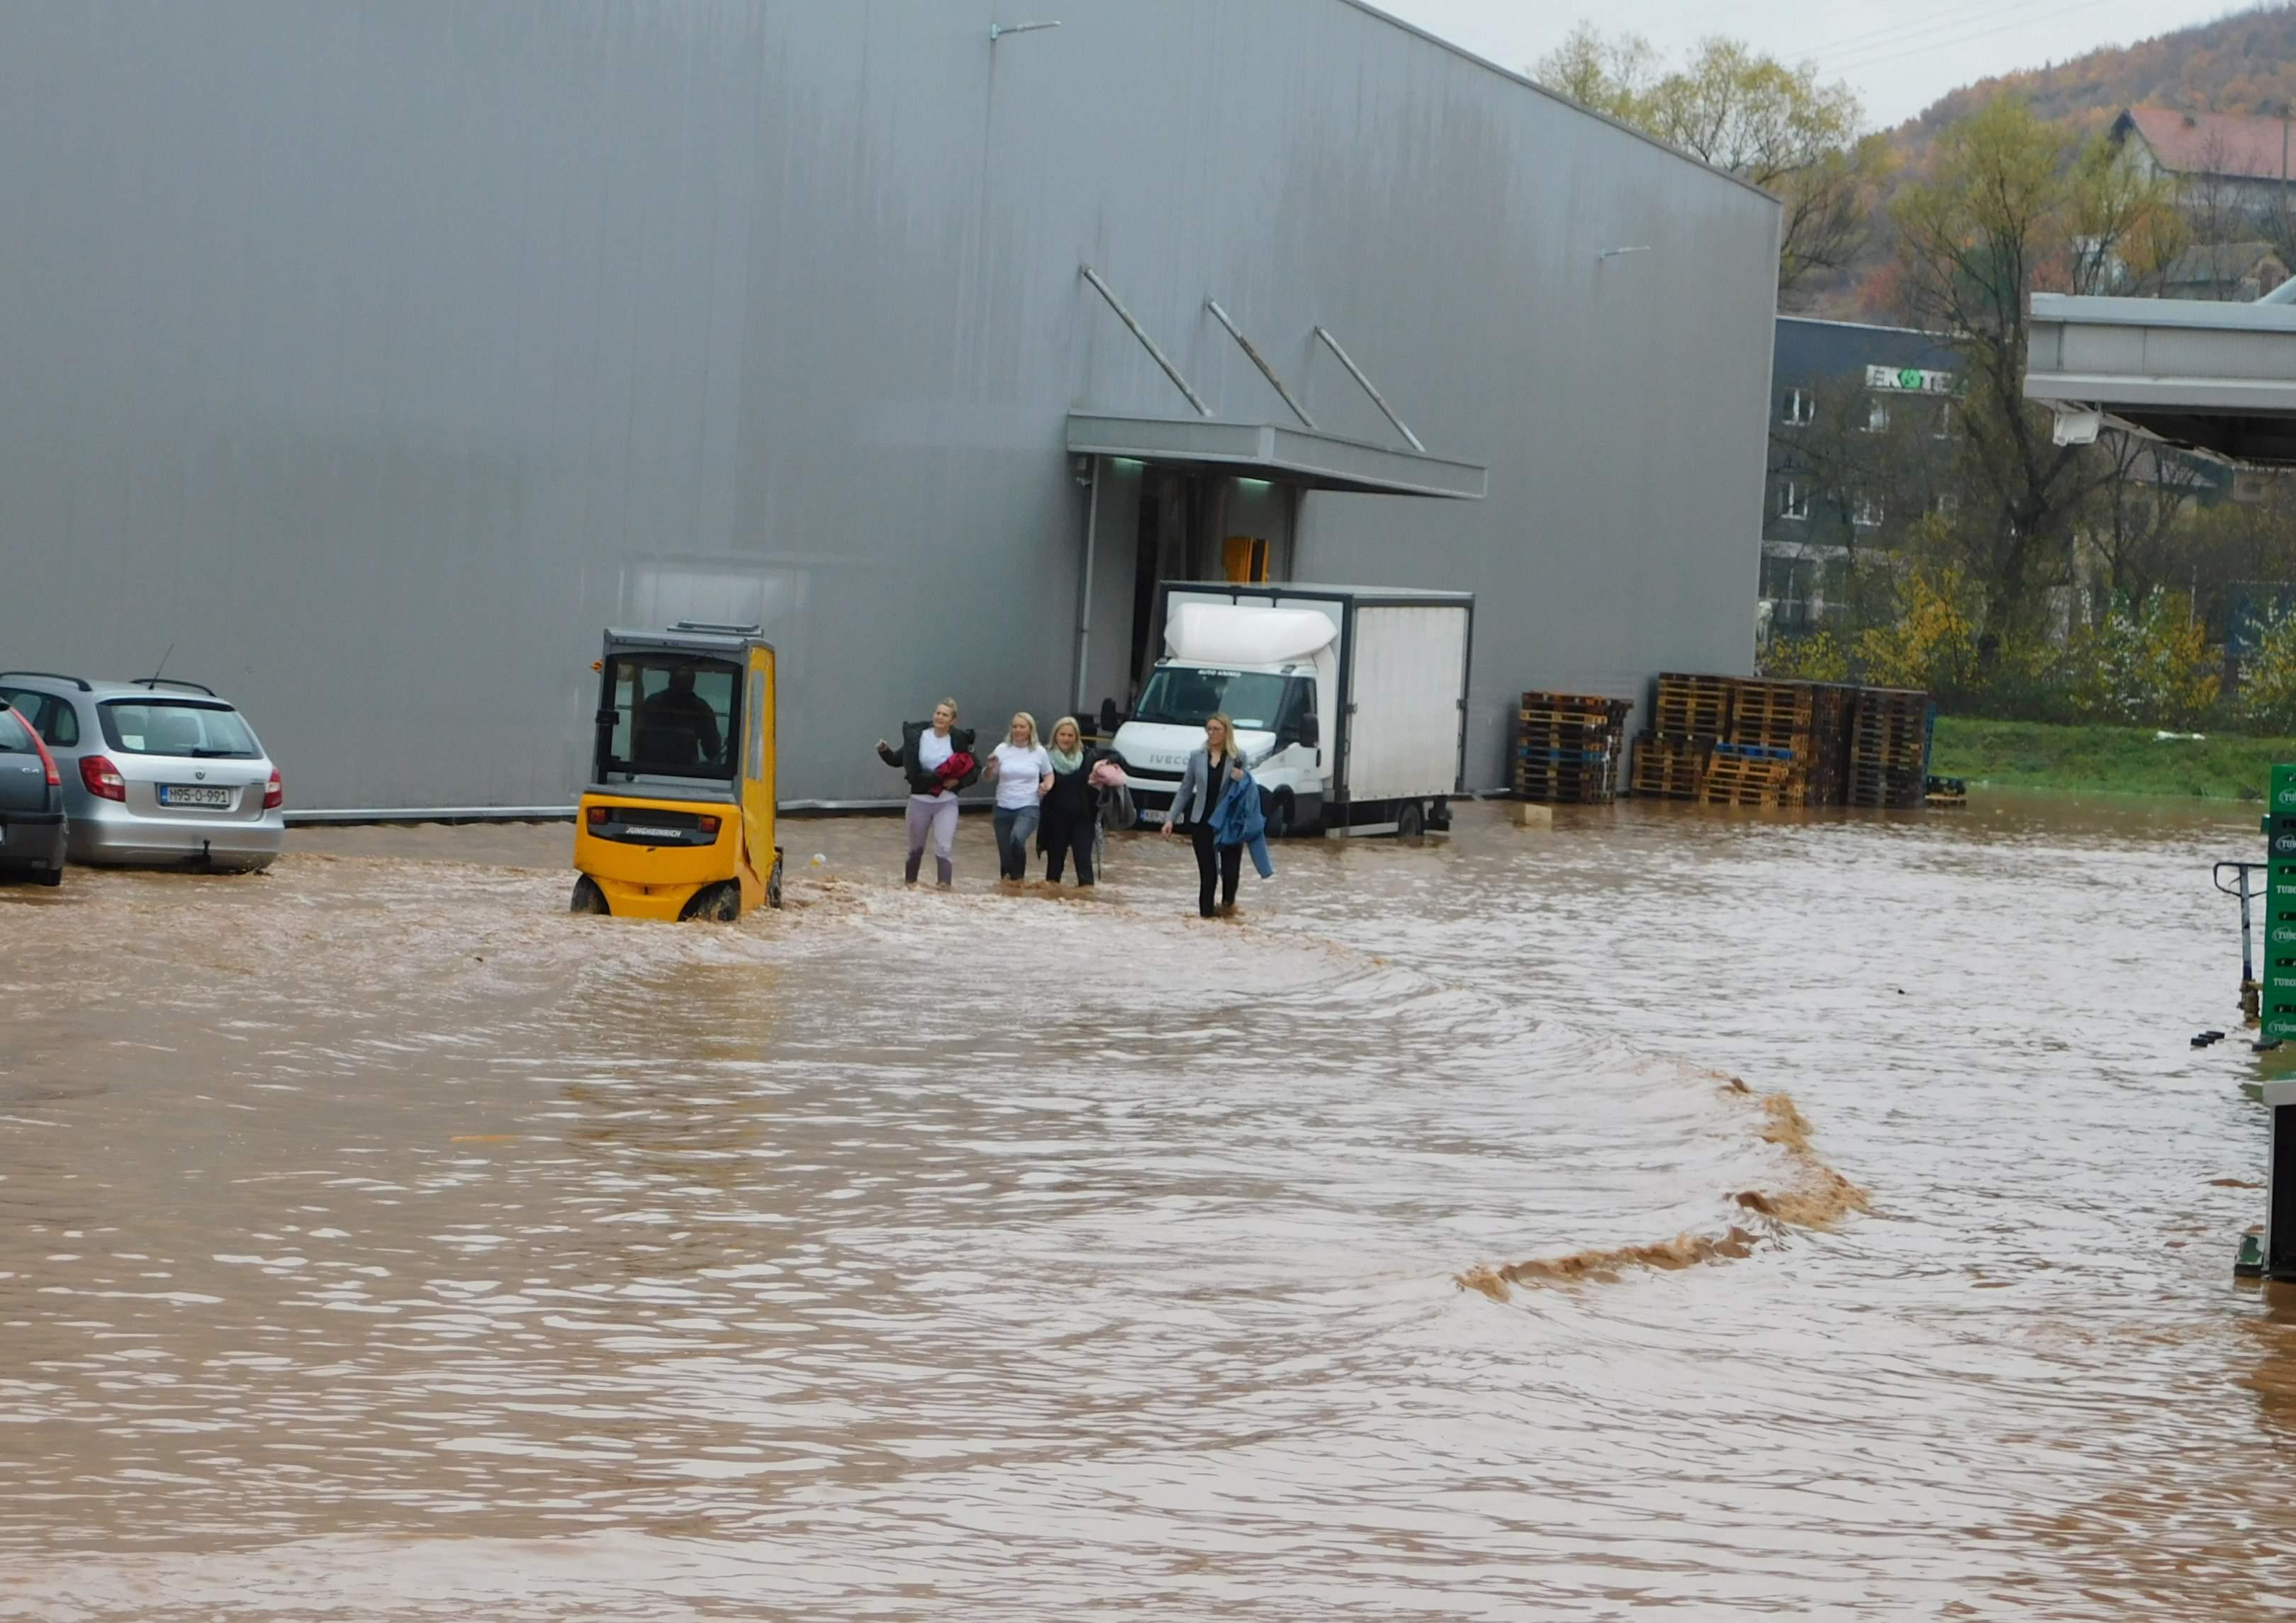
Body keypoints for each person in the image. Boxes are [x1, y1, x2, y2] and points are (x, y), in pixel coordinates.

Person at [876, 699, 978, 887]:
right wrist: (884, 751)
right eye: (937, 713)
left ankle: (944, 891)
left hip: (946, 801)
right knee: (915, 849)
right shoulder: (918, 736)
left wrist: (958, 782)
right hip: (919, 800)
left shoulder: (959, 740)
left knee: (944, 847)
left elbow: (974, 769)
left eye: (945, 715)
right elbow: (897, 760)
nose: (940, 717)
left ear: (953, 720)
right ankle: (910, 887)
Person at [1160, 712, 1248, 919]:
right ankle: (1206, 919)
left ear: (1226, 731)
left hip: (1229, 823)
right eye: (1209, 729)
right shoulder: (1197, 757)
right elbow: (1185, 789)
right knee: (1208, 876)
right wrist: (1170, 819)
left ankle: (1227, 911)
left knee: (1230, 874)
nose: (1212, 733)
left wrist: (1242, 778)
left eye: (1216, 729)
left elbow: (1247, 790)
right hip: (1202, 822)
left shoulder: (1239, 757)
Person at [982, 711, 1053, 882]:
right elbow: (987, 777)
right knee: (1005, 852)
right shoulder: (1002, 749)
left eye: (1022, 727)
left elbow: (1049, 774)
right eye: (1015, 726)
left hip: (1028, 806)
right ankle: (1007, 890)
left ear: (1030, 729)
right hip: (1003, 807)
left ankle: (1019, 880)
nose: (1018, 730)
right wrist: (990, 767)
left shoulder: (1039, 752)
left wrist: (1046, 786)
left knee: (1017, 839)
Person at [1037, 716, 1104, 887]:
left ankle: (1087, 905)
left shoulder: (1087, 757)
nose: (1066, 739)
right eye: (1063, 734)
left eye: (1070, 735)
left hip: (1083, 819)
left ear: (1076, 738)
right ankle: (1050, 907)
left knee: (1084, 864)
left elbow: (1118, 758)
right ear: (1055, 736)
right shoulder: (1044, 758)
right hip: (1055, 820)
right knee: (1054, 869)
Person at [634, 666, 722, 770]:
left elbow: (637, 739)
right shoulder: (700, 708)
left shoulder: (652, 702)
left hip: (649, 768)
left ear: (670, 682)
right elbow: (712, 748)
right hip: (684, 771)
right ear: (693, 685)